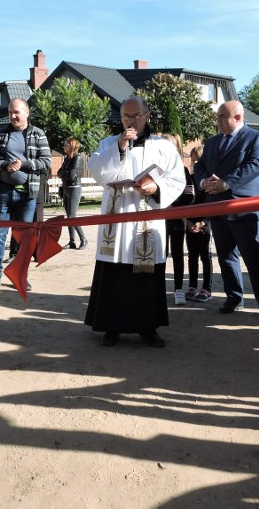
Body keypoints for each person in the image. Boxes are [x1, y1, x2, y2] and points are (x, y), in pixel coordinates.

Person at [84, 96, 185, 347]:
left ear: (147, 115)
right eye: (125, 117)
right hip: (117, 221)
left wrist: (156, 187)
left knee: (146, 275)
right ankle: (111, 327)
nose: (130, 121)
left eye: (135, 116)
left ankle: (148, 327)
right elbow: (96, 169)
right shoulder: (109, 143)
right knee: (114, 273)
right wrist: (120, 145)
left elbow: (177, 179)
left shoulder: (163, 146)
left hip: (147, 220)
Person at [193, 100, 259, 320]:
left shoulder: (257, 137)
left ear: (237, 117)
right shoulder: (211, 142)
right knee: (226, 256)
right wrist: (204, 184)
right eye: (218, 116)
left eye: (222, 116)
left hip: (244, 209)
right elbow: (200, 167)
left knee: (253, 257)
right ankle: (234, 297)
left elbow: (255, 165)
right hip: (218, 208)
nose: (218, 121)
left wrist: (226, 183)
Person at [0, 98, 51, 290]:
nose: (13, 116)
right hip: (3, 192)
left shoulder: (38, 134)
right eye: (10, 112)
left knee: (24, 238)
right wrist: (5, 165)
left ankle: (20, 275)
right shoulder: (2, 133)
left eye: (17, 112)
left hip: (27, 194)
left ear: (27, 113)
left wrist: (24, 164)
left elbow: (46, 162)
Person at [160, 133, 194, 306]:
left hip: (177, 216)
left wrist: (172, 206)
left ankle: (178, 288)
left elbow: (189, 195)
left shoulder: (183, 170)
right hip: (159, 218)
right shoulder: (155, 168)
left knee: (178, 252)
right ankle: (158, 288)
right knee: (160, 253)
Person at [184, 145, 213, 303]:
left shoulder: (209, 180)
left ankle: (207, 288)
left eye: (197, 159)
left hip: (204, 223)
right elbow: (186, 200)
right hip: (190, 222)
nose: (194, 161)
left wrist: (202, 222)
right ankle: (192, 285)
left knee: (205, 256)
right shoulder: (190, 178)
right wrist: (188, 221)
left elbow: (211, 202)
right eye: (193, 159)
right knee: (192, 255)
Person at [58, 136, 88, 250]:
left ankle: (83, 239)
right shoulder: (67, 159)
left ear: (72, 146)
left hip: (74, 188)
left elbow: (70, 175)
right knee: (68, 216)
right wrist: (65, 173)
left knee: (72, 216)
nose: (64, 146)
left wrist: (64, 173)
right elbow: (59, 173)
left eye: (66, 144)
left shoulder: (78, 158)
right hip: (66, 188)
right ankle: (72, 241)